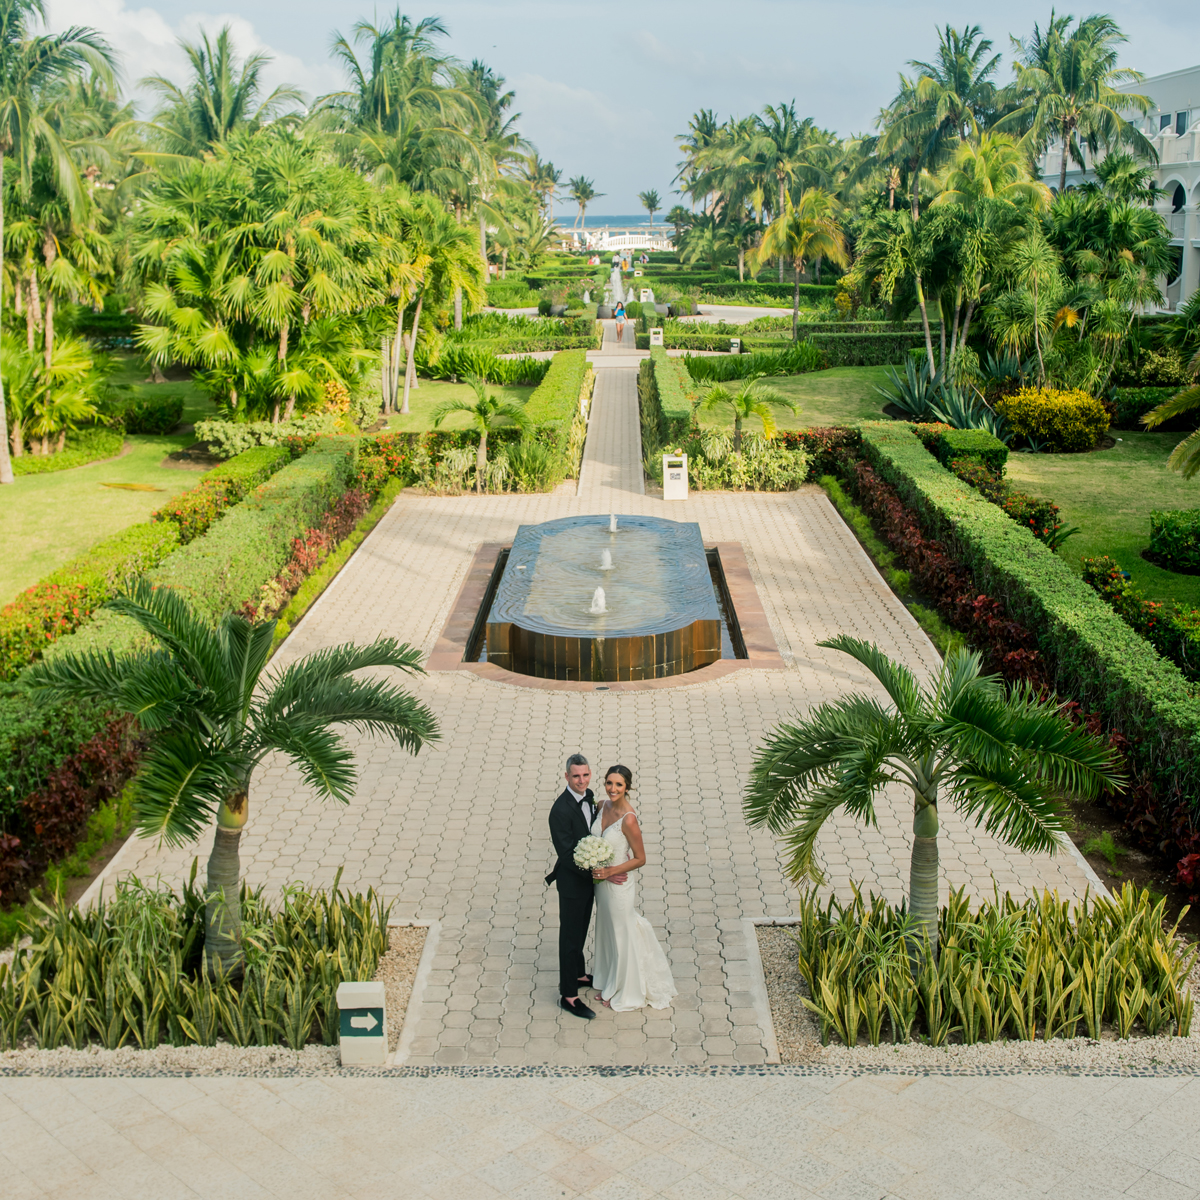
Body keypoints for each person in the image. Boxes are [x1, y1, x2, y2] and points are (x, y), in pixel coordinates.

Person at [589, 765, 677, 1011]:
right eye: (609, 783)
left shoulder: (629, 819)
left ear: (627, 787)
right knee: (607, 931)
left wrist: (610, 871)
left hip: (618, 885)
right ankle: (609, 981)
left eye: (618, 784)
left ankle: (624, 990)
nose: (613, 789)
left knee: (622, 933)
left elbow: (640, 858)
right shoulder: (601, 806)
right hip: (601, 884)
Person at [546, 754, 626, 1019]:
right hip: (572, 883)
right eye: (576, 776)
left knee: (581, 930)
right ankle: (568, 995)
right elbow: (567, 854)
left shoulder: (590, 795)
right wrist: (602, 873)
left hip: (589, 880)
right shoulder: (559, 810)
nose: (582, 781)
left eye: (586, 775)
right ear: (567, 777)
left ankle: (579, 974)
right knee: (570, 938)